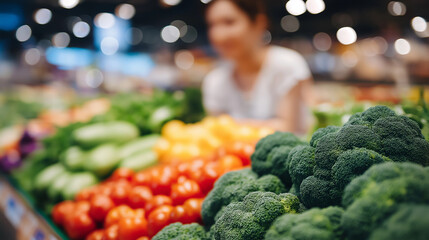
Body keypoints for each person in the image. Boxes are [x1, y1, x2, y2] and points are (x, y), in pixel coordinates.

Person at [203, 0, 314, 134]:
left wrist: (229, 127)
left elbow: (287, 129)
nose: (219, 35)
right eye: (212, 25)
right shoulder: (214, 81)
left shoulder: (286, 64)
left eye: (229, 22)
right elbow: (215, 135)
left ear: (259, 22)